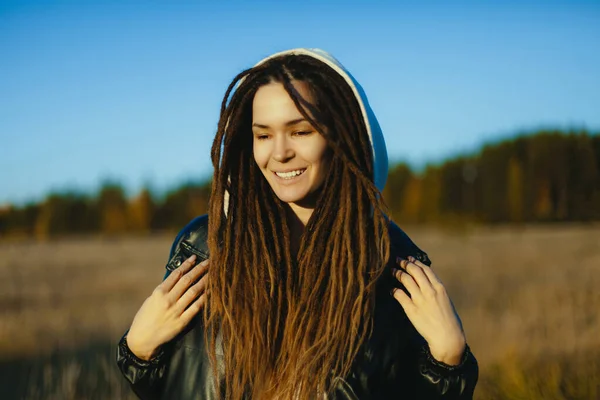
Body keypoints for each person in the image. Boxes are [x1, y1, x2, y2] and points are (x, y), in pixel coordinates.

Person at [116, 48, 478, 399]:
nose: (279, 152)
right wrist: (139, 352)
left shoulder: (390, 266)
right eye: (264, 135)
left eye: (301, 131)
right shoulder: (205, 246)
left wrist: (448, 361)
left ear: (343, 135)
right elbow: (185, 384)